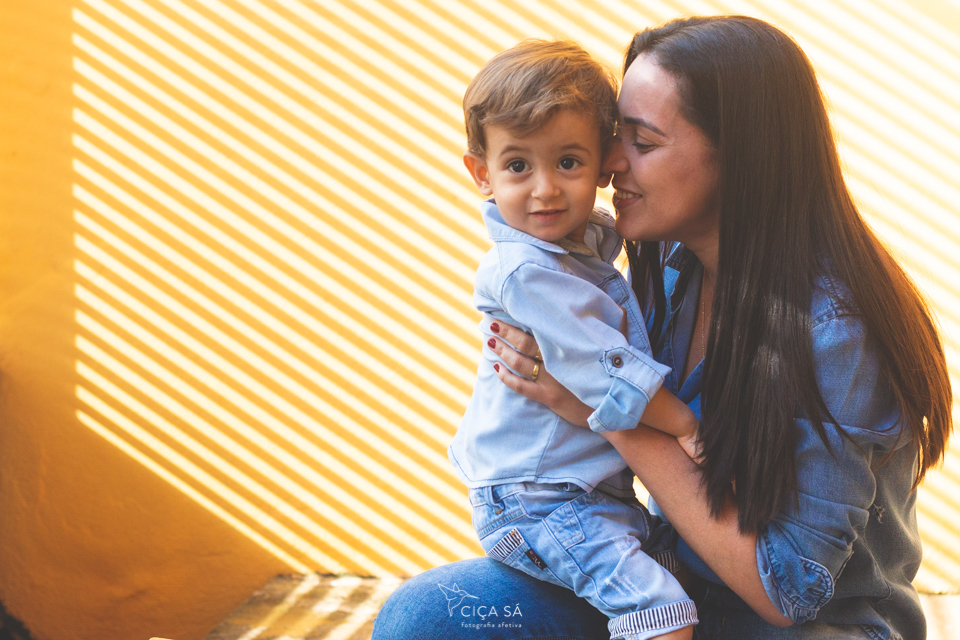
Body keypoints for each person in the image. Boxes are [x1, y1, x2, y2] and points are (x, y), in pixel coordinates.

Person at [372, 15, 952, 640]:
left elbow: (789, 592)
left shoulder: (836, 332)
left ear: (741, 158)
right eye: (615, 136)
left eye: (642, 143)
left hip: (802, 627)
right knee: (427, 617)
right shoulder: (672, 271)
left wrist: (602, 412)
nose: (610, 162)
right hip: (686, 592)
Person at [449, 39, 700, 640]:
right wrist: (688, 426)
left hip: (588, 494)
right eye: (518, 166)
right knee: (660, 614)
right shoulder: (528, 271)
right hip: (543, 500)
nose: (545, 189)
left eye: (567, 162)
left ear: (605, 162)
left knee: (684, 584)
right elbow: (604, 370)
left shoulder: (580, 248)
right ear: (481, 174)